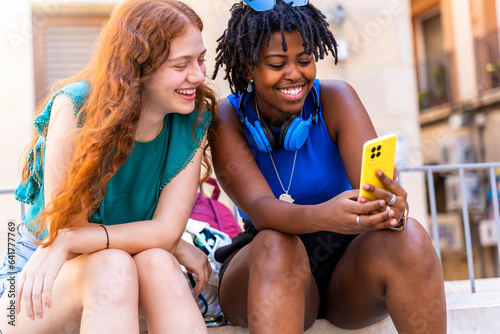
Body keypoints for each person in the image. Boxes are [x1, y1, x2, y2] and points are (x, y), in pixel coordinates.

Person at [210, 0, 447, 333]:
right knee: (278, 244)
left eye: (305, 60)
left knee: (410, 237)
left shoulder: (337, 99)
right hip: (265, 266)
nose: (295, 74)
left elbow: (374, 192)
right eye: (277, 63)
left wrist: (389, 205)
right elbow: (262, 210)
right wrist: (325, 214)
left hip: (345, 272)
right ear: (249, 67)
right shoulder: (226, 117)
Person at [0, 0, 215, 333]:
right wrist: (164, 241)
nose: (198, 75)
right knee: (115, 266)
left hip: (120, 268)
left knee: (157, 260)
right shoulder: (74, 107)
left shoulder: (193, 120)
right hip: (37, 276)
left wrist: (172, 242)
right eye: (181, 64)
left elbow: (165, 232)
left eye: (200, 60)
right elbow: (64, 233)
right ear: (137, 68)